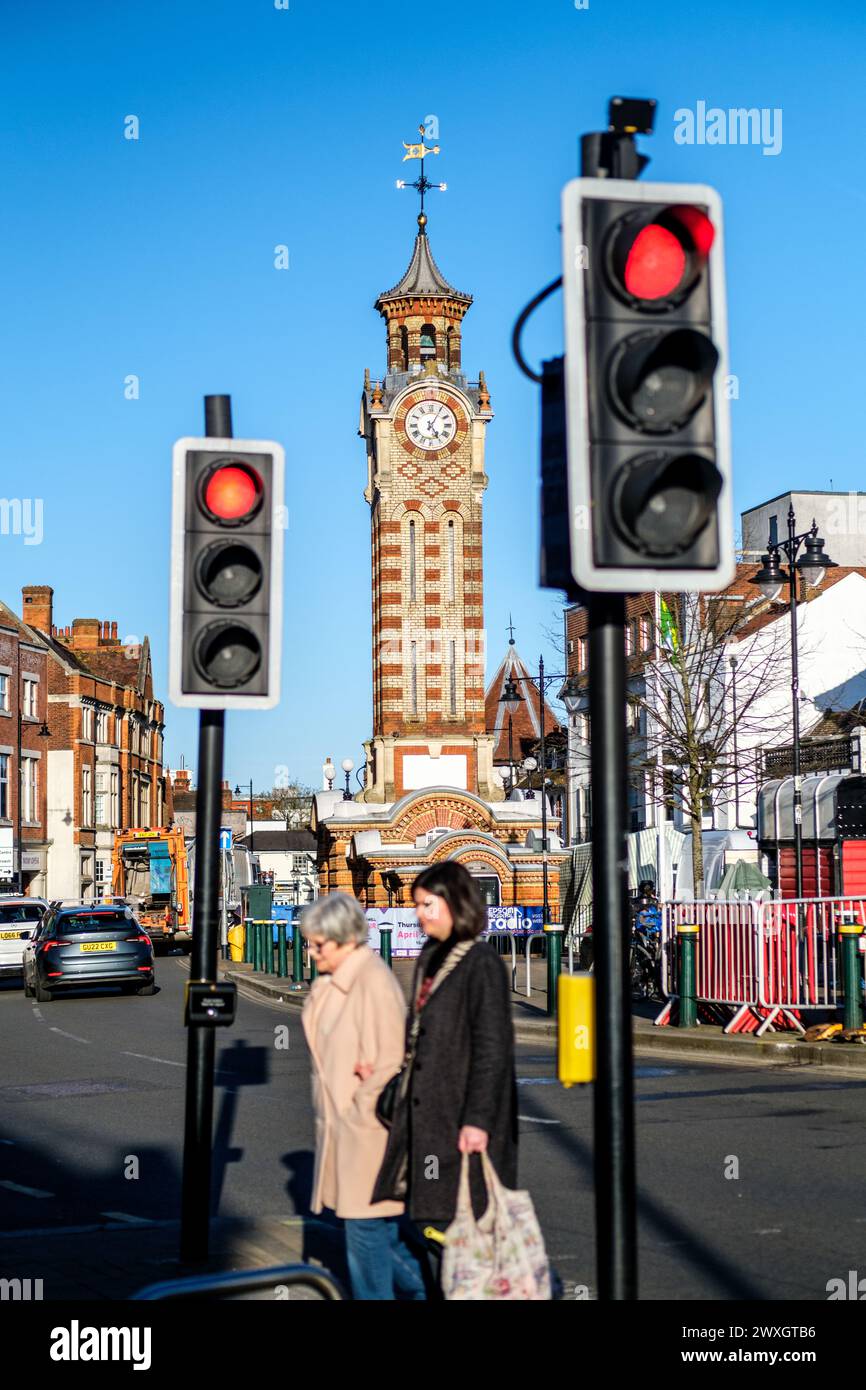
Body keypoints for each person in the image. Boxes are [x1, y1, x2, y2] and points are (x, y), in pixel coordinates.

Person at [372, 863, 518, 1275]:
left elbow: (493, 1049)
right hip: (428, 1118)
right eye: (416, 905)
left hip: (461, 1126)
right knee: (430, 1226)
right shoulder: (430, 957)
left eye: (427, 905)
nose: (418, 914)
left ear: (455, 903)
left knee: (458, 1234)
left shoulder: (481, 964)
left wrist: (477, 1121)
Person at [300, 892, 427, 1301]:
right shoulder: (333, 983)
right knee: (381, 1236)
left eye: (317, 943)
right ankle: (441, 1290)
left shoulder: (372, 981)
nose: (310, 950)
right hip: (349, 1134)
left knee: (365, 1238)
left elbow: (389, 1062)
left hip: (368, 1134)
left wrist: (357, 1112)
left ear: (344, 939)